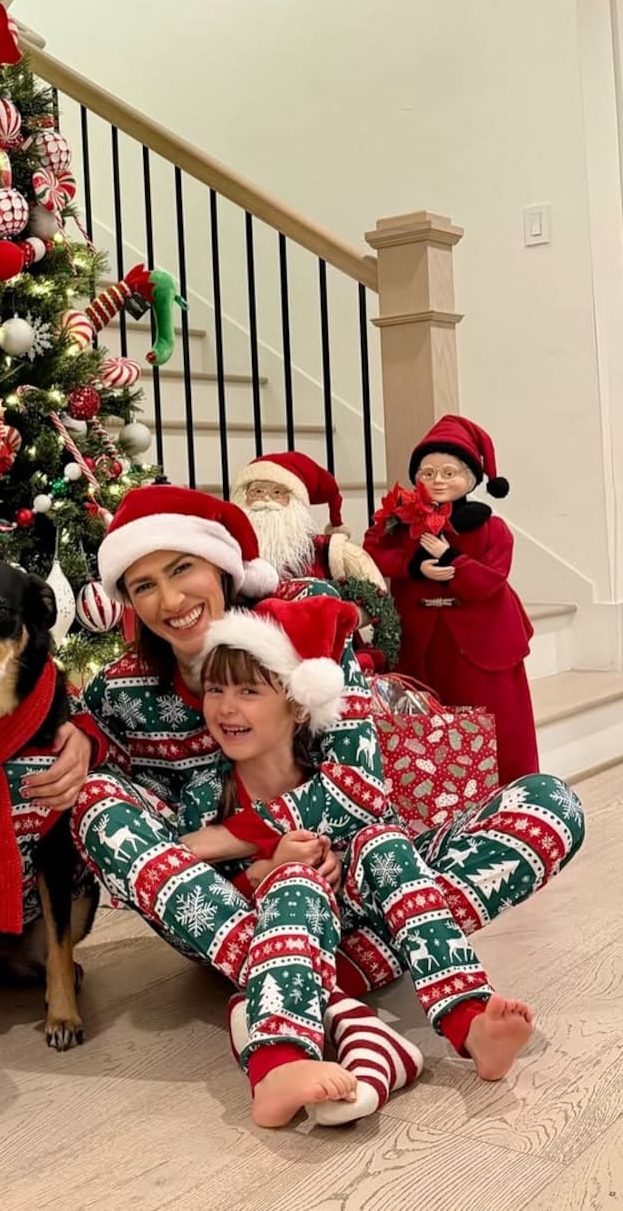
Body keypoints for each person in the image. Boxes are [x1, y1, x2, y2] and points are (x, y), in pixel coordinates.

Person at [72, 481, 585, 1079]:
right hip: (237, 909)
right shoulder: (126, 689)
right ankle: (315, 984)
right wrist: (81, 733)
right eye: (143, 585)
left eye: (182, 567)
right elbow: (129, 834)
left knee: (548, 805)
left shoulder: (306, 620)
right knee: (93, 799)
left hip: (369, 878)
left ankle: (303, 989)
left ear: (220, 564)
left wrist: (224, 839)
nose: (169, 598)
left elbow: (359, 792)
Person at [191, 594, 572, 1095]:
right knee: (297, 880)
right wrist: (266, 868)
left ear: (298, 706)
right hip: (276, 942)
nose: (226, 706)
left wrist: (343, 856)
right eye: (215, 689)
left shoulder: (343, 778)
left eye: (248, 691)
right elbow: (199, 893)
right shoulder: (204, 796)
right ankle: (290, 1035)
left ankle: (467, 1017)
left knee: (390, 840)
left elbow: (381, 843)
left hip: (367, 926)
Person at [363, 415, 538, 782]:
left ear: (471, 479)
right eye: (427, 473)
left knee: (496, 718)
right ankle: (435, 796)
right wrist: (414, 566)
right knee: (426, 718)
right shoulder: (400, 524)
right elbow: (372, 552)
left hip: (481, 638)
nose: (437, 481)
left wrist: (450, 558)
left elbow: (491, 579)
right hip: (421, 635)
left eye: (448, 472)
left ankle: (508, 792)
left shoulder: (492, 528)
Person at [231, 450, 398, 674]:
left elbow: (377, 597)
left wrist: (339, 619)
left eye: (278, 492)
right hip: (250, 657)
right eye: (257, 491)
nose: (266, 500)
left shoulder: (330, 551)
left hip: (326, 659)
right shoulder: (231, 553)